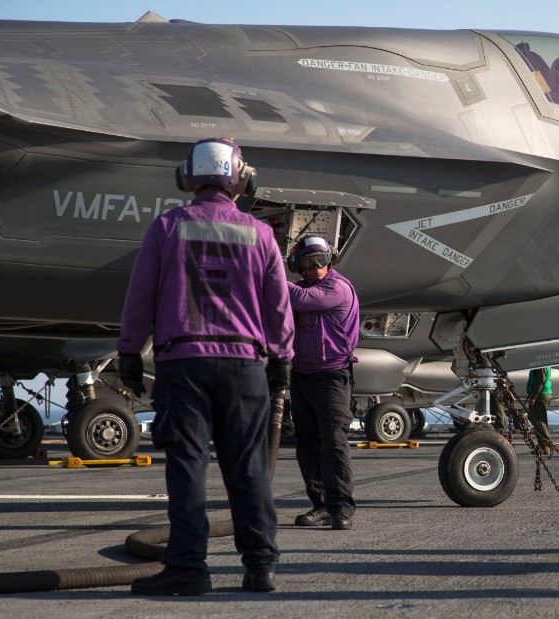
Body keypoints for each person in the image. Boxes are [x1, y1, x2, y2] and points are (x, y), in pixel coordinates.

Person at [118, 137, 294, 595]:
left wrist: (129, 351)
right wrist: (282, 358)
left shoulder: (166, 227)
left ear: (187, 177)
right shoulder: (260, 235)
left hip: (184, 362)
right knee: (250, 469)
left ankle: (189, 570)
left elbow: (140, 297)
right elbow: (278, 307)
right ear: (242, 180)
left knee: (188, 468)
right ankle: (261, 568)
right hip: (243, 366)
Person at [286, 236, 361, 531]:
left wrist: (265, 270)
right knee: (307, 443)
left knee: (333, 441)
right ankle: (320, 506)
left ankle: (341, 507)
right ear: (298, 265)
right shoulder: (302, 288)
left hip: (331, 376)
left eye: (322, 260)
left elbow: (300, 300)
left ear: (332, 260)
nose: (317, 267)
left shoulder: (336, 287)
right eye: (309, 262)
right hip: (302, 374)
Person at [526, 366, 553, 456]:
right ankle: (543, 445)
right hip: (541, 394)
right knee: (536, 419)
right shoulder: (542, 363)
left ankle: (545, 446)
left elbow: (540, 380)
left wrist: (534, 396)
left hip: (540, 395)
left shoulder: (542, 364)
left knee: (538, 420)